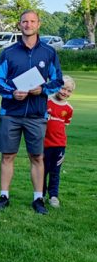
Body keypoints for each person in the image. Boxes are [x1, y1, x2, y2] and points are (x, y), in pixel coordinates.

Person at [0, 9, 63, 214]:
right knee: (7, 156)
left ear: (38, 24)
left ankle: (38, 199)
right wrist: (12, 93)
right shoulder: (9, 52)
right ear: (19, 24)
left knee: (37, 157)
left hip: (36, 114)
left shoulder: (49, 52)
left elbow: (57, 80)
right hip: (11, 113)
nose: (28, 25)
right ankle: (4, 196)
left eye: (32, 21)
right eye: (24, 21)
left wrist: (43, 90)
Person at [44, 75, 75, 208]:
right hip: (44, 144)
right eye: (63, 88)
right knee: (43, 170)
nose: (65, 92)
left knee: (55, 171)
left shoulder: (69, 109)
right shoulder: (46, 102)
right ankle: (40, 194)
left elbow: (65, 125)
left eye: (69, 90)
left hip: (59, 145)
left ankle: (53, 196)